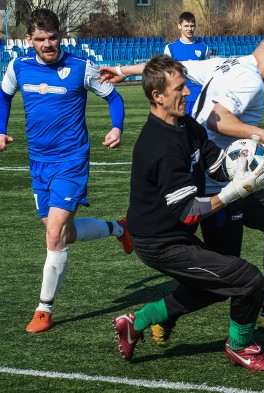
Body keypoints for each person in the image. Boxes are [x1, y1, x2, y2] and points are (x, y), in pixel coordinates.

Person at [99, 34, 264, 339]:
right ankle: (248, 326)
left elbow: (174, 68)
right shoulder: (249, 79)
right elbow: (216, 119)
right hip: (213, 182)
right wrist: (261, 134)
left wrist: (124, 69)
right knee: (229, 274)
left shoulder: (226, 64)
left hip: (214, 169)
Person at [111, 55, 264, 371]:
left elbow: (215, 163)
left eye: (186, 85)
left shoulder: (186, 125)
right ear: (157, 96)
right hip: (159, 243)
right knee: (249, 281)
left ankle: (138, 322)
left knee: (221, 284)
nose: (188, 93)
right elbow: (189, 212)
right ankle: (241, 347)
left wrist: (246, 162)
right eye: (179, 88)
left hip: (174, 234)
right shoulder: (160, 146)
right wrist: (236, 191)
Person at [0, 8, 131, 333]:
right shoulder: (18, 66)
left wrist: (117, 128)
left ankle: (44, 310)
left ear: (61, 35)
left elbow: (114, 98)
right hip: (39, 164)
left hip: (71, 162)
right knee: (64, 233)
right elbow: (3, 98)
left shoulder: (79, 67)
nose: (48, 45)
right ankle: (119, 229)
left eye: (53, 38)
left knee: (54, 233)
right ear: (29, 39)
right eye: (41, 39)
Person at [164, 11, 209, 116]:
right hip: (180, 97)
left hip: (199, 97)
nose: (189, 29)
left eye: (192, 26)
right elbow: (166, 75)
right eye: (186, 26)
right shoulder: (170, 48)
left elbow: (206, 72)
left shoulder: (204, 48)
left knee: (200, 131)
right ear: (179, 26)